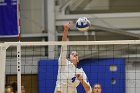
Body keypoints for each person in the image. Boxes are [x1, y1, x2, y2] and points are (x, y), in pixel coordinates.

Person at [54, 23, 91, 93]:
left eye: (76, 54)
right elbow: (64, 45)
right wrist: (65, 30)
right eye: (72, 53)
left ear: (78, 60)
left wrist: (81, 79)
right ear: (69, 57)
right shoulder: (63, 63)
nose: (74, 54)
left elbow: (88, 89)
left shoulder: (80, 71)